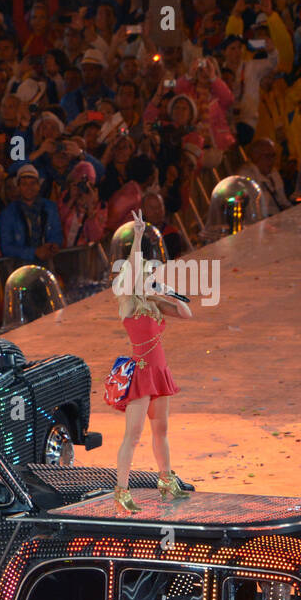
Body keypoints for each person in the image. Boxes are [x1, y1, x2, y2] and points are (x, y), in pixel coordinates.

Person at [110, 211, 194, 514]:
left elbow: (187, 313)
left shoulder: (154, 303)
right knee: (132, 436)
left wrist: (167, 294)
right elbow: (132, 267)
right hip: (142, 373)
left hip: (159, 372)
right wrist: (138, 235)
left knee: (162, 429)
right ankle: (121, 491)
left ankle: (166, 479)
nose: (148, 278)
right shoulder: (129, 304)